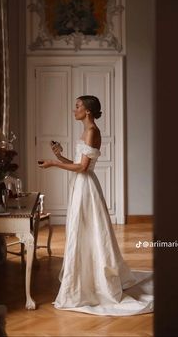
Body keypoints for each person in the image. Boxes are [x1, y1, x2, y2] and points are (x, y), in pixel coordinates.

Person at [39, 95, 153, 316]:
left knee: (89, 231)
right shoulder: (86, 131)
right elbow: (78, 164)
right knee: (80, 231)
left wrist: (53, 164)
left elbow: (82, 168)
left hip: (86, 187)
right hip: (79, 186)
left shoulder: (92, 132)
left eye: (78, 106)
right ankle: (84, 276)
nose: (74, 110)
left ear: (88, 111)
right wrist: (60, 156)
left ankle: (93, 281)